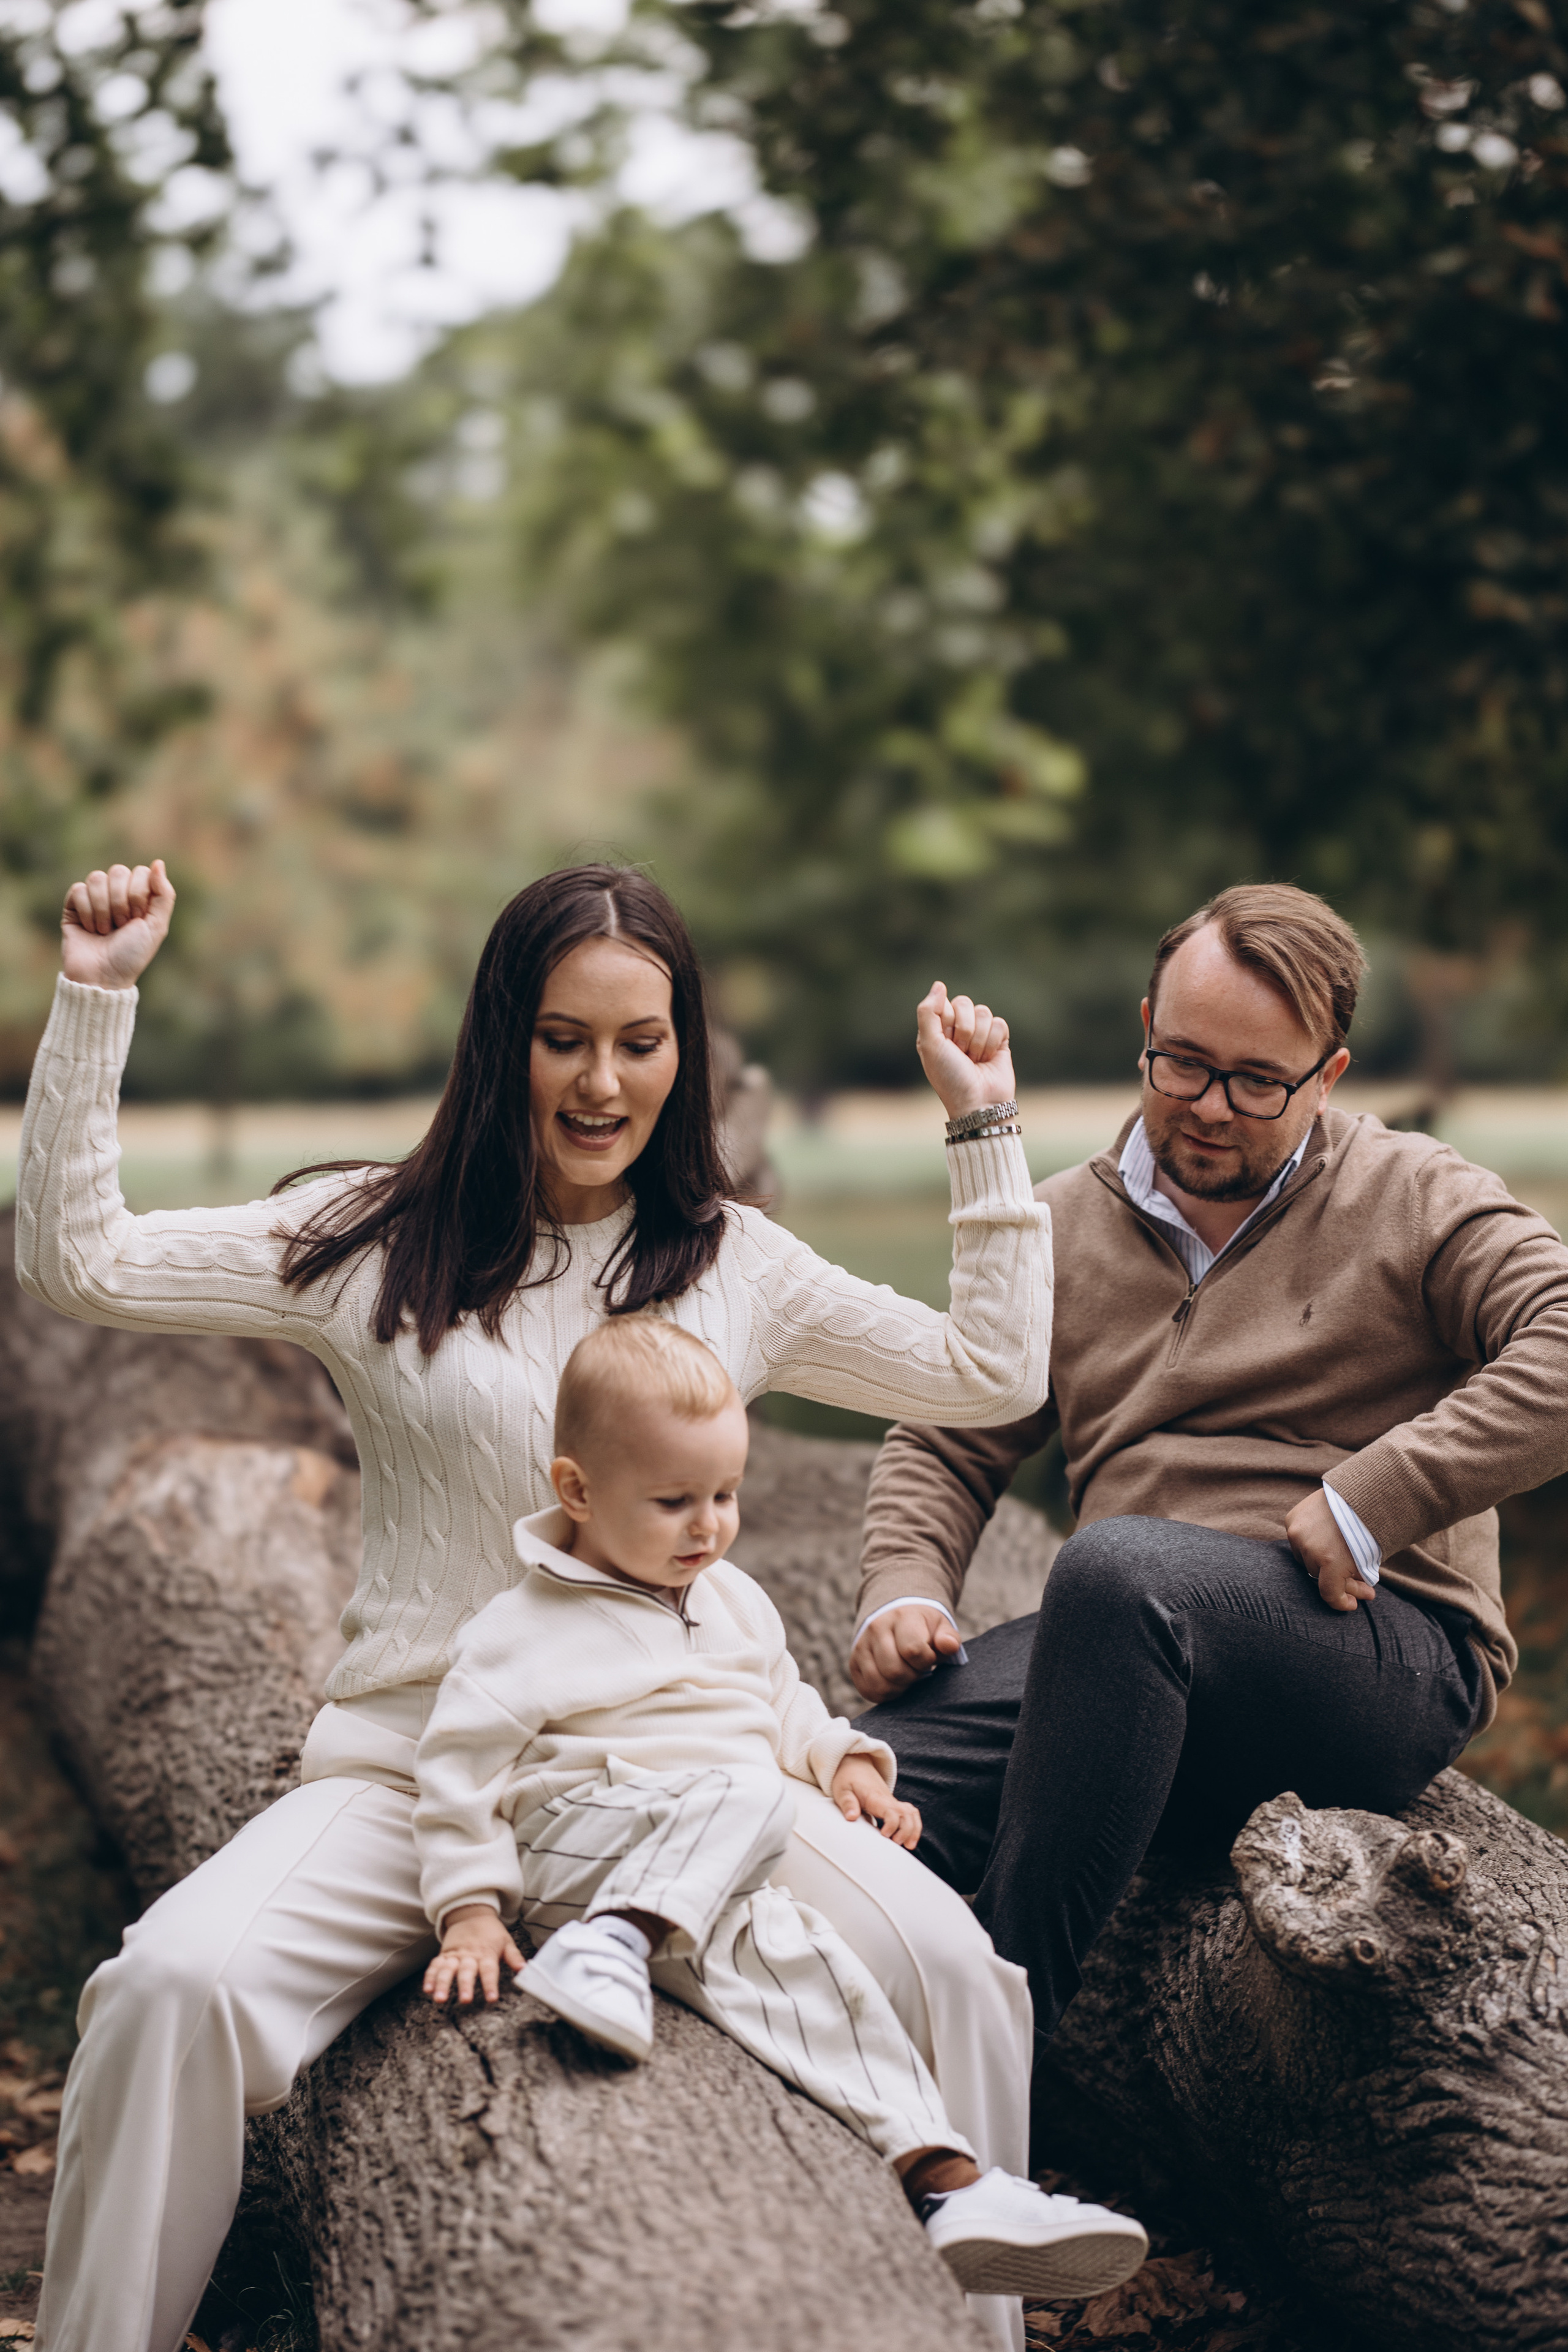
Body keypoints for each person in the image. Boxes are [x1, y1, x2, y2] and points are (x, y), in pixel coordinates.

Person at [18, 854, 1064, 2352]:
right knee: (167, 1989)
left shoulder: (733, 1265)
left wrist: (981, 1126)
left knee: (956, 1972)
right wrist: (95, 1001)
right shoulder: (373, 1236)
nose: (600, 1080)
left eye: (641, 1043)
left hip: (699, 1780)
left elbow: (990, 1376)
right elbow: (79, 1261)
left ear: (681, 1056)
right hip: (418, 1768)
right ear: (500, 1034)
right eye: (563, 1036)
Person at [849, 882, 1568, 2152]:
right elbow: (948, 1430)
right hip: (1122, 1648)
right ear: (1142, 1026)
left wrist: (1373, 1496)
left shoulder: (1411, 1196)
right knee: (853, 1778)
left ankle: (987, 2108)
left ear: (1327, 1072)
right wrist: (903, 1582)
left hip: (1369, 1649)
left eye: (1253, 1082)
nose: (1204, 1107)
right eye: (1178, 1064)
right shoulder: (1063, 1223)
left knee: (1118, 1576)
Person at [414, 1316, 1149, 2302]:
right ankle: (607, 1944)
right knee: (750, 1790)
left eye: (724, 1495)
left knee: (814, 1978)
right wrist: (466, 1906)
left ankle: (947, 2179)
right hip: (580, 1841)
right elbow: (456, 1769)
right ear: (577, 1492)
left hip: (712, 1866)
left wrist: (842, 1762)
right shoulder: (520, 1628)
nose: (708, 1526)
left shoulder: (733, 1600)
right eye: (673, 1501)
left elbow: (784, 1702)